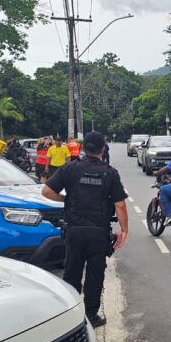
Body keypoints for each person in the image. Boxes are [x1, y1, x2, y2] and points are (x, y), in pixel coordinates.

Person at [42, 132, 128, 328]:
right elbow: (120, 204)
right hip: (98, 232)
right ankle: (91, 316)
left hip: (74, 231)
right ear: (103, 149)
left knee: (71, 271)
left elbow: (46, 191)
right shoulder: (110, 173)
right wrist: (124, 229)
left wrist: (66, 200)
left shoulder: (70, 169)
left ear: (82, 149)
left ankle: (71, 314)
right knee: (95, 274)